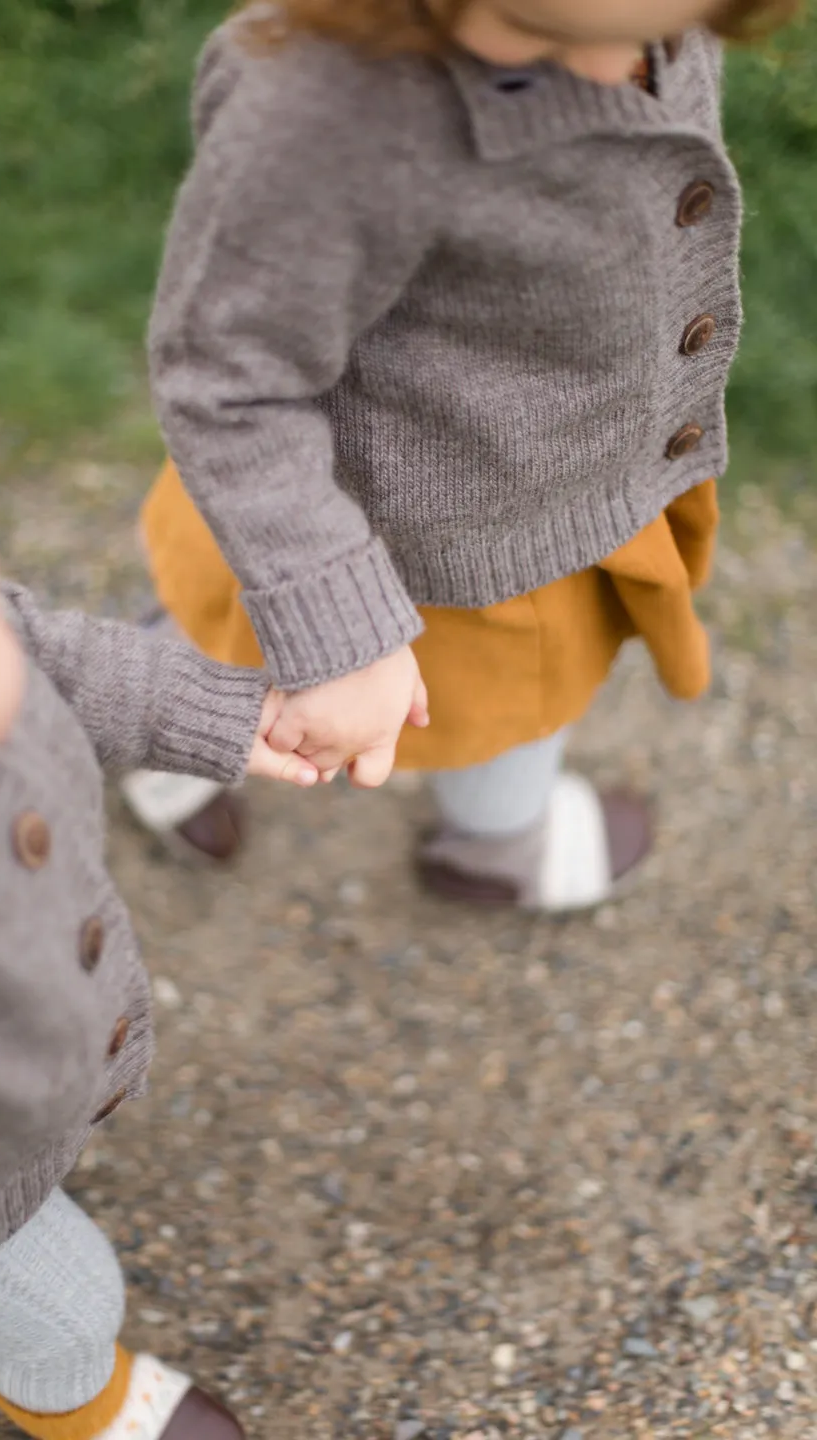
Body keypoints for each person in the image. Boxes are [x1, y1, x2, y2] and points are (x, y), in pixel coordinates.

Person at [123, 0, 797, 911]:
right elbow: (226, 380)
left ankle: (481, 843)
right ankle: (174, 754)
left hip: (543, 498)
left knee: (493, 692)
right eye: (538, 43)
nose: (609, 77)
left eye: (662, 36)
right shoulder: (320, 109)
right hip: (359, 527)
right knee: (258, 639)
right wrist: (338, 628)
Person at [0, 378, 319, 1438]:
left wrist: (221, 716)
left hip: (34, 1100)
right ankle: (72, 1399)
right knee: (69, 1300)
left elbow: (65, 652)